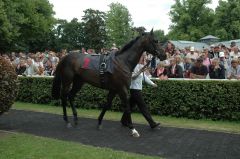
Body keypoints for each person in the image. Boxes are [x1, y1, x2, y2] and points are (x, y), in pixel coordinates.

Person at [121, 55, 160, 129]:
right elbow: (132, 77)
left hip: (137, 90)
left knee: (130, 106)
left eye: (142, 58)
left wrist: (152, 84)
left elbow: (144, 77)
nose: (142, 59)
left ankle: (123, 120)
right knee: (143, 107)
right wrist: (140, 71)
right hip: (134, 90)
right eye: (141, 58)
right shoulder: (131, 66)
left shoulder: (140, 66)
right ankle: (152, 123)